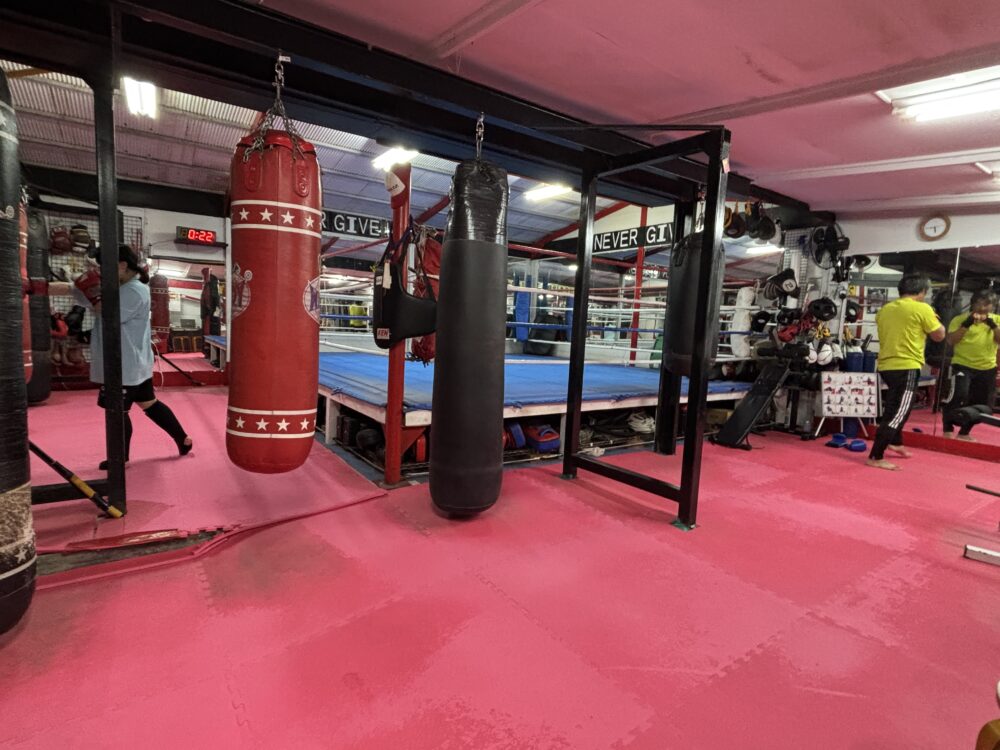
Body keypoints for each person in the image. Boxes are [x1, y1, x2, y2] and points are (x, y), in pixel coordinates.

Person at [54, 245, 193, 469]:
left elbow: (108, 314)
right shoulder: (117, 287)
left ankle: (119, 459)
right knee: (149, 404)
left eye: (105, 266)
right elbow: (76, 293)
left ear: (121, 265)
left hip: (124, 364)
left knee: (117, 412)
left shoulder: (134, 290)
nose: (101, 271)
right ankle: (183, 439)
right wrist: (37, 287)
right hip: (132, 362)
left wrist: (93, 292)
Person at [867, 273, 946, 471]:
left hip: (885, 366)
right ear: (922, 292)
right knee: (898, 412)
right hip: (906, 366)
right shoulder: (922, 308)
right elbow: (939, 335)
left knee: (895, 406)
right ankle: (876, 456)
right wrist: (935, 318)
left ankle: (896, 442)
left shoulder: (885, 309)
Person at [942, 289, 1000, 440]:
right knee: (958, 395)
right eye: (979, 304)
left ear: (993, 306)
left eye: (986, 304)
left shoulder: (997, 320)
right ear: (973, 304)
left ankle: (964, 432)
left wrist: (993, 325)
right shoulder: (959, 319)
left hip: (987, 367)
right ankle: (947, 428)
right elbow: (951, 341)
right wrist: (966, 324)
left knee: (981, 404)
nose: (982, 308)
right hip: (962, 365)